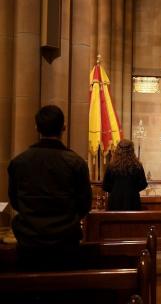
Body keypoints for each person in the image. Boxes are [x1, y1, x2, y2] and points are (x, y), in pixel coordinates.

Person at [8, 105, 92, 270]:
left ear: (36, 127)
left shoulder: (19, 162)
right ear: (63, 128)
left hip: (29, 243)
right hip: (66, 243)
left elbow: (15, 201)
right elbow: (84, 204)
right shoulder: (76, 163)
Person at [103, 139, 148, 211]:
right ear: (132, 150)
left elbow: (105, 186)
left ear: (118, 150)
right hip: (133, 200)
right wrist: (133, 189)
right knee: (131, 221)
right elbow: (143, 184)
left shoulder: (111, 166)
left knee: (115, 221)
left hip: (115, 200)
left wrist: (115, 189)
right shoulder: (137, 165)